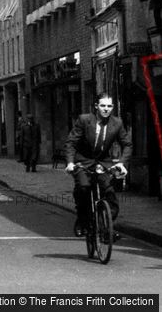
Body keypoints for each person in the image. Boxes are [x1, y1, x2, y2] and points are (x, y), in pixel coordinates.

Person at [64, 93, 131, 239]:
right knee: (83, 187)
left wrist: (121, 162)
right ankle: (82, 220)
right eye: (103, 105)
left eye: (109, 106)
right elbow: (71, 143)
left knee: (109, 194)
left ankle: (106, 230)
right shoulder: (84, 120)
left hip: (103, 164)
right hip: (83, 162)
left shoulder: (117, 123)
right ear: (96, 106)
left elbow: (127, 144)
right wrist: (70, 162)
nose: (106, 109)